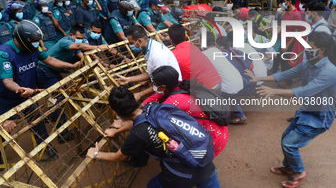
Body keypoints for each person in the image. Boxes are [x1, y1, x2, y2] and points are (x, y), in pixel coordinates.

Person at [246, 32, 336, 188]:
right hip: (307, 110)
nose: (307, 49)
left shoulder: (329, 71)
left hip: (319, 117)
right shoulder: (308, 63)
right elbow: (284, 74)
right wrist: (257, 79)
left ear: (321, 49)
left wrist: (275, 91)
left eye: (310, 46)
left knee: (289, 143)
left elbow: (305, 90)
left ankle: (299, 171)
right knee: (286, 138)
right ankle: (289, 167)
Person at [86, 85, 220, 188]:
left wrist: (96, 153)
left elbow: (117, 157)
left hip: (182, 174)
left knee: (152, 185)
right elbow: (142, 122)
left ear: (116, 112)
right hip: (205, 161)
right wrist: (118, 130)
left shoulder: (138, 134)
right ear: (134, 98)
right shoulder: (153, 107)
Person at [0, 21, 79, 157]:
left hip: (28, 93)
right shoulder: (5, 54)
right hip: (7, 98)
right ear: (23, 40)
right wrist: (20, 89)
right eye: (34, 41)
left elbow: (50, 60)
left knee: (37, 120)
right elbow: (7, 81)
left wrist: (71, 66)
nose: (37, 43)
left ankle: (45, 147)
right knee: (5, 128)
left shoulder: (33, 47)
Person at [117, 25, 181, 101]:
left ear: (140, 41)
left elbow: (162, 84)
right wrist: (128, 79)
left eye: (131, 43)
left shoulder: (157, 55)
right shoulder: (149, 47)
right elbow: (150, 72)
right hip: (163, 87)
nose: (130, 46)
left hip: (170, 90)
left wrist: (140, 94)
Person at [202, 32, 246, 123]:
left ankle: (219, 117)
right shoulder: (217, 50)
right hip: (237, 80)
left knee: (210, 92)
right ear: (214, 42)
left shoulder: (204, 54)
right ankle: (240, 114)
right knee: (228, 95)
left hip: (229, 84)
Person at [168, 24, 222, 93]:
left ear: (171, 40)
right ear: (185, 37)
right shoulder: (193, 46)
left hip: (206, 90)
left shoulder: (173, 55)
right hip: (218, 82)